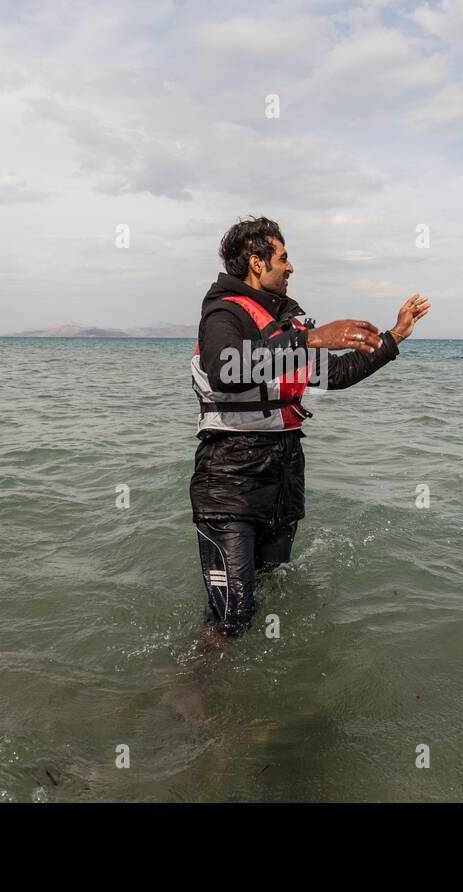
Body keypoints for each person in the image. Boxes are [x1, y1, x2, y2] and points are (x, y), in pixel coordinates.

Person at [189, 215, 430, 639]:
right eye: (284, 257)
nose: (291, 266)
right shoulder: (223, 313)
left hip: (282, 483)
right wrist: (310, 339)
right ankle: (193, 694)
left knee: (268, 599)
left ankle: (256, 698)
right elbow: (225, 368)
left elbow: (333, 374)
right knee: (232, 617)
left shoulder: (287, 321)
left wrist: (393, 337)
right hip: (229, 483)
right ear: (257, 263)